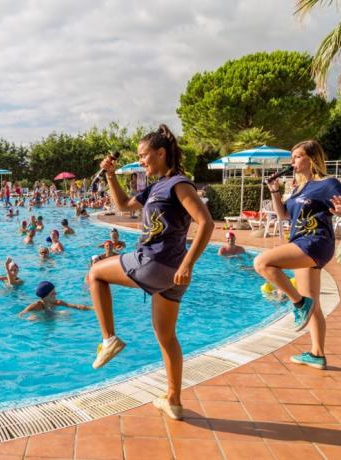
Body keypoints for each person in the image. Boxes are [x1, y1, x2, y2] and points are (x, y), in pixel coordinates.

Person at [87, 124, 213, 421]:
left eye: (144, 155)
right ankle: (174, 400)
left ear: (161, 152)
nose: (141, 160)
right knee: (166, 336)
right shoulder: (154, 187)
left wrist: (188, 264)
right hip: (170, 274)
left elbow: (206, 223)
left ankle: (108, 340)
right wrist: (109, 175)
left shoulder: (179, 184)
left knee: (95, 273)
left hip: (156, 262)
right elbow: (121, 206)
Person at [254, 140, 341, 371]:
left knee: (261, 262)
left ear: (311, 159)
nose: (292, 161)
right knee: (314, 305)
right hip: (300, 243)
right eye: (292, 158)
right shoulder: (298, 188)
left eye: (297, 156)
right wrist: (274, 190)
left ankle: (299, 304)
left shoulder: (328, 184)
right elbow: (284, 216)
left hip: (315, 242)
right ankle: (317, 354)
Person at [18, 281, 92, 317]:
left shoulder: (57, 303)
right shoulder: (36, 306)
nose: (56, 295)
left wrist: (93, 308)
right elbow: (20, 315)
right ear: (45, 297)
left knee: (65, 314)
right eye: (53, 293)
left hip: (51, 321)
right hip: (41, 323)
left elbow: (76, 306)